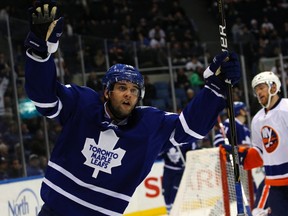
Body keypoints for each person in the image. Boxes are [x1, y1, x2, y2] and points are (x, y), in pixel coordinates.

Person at [24, 1, 240, 215]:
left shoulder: (150, 125)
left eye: (134, 90)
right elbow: (44, 99)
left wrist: (214, 89)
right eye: (122, 87)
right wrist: (40, 54)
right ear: (107, 92)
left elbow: (192, 128)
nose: (129, 94)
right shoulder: (83, 104)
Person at [237, 71, 288, 215]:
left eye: (261, 87)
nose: (258, 92)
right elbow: (260, 152)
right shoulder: (257, 119)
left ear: (273, 87)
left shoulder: (286, 108)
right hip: (274, 183)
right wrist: (240, 155)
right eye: (256, 90)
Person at [159, 142, 199, 214]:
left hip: (180, 172)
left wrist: (191, 163)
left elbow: (194, 154)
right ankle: (169, 213)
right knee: (166, 194)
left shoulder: (188, 140)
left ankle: (175, 212)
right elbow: (158, 155)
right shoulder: (165, 139)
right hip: (168, 171)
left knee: (175, 195)